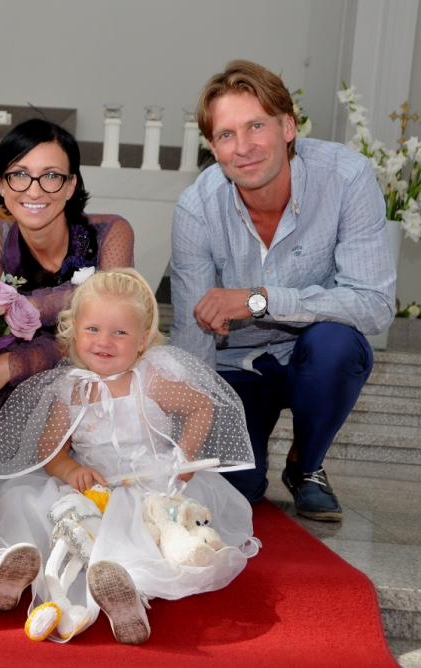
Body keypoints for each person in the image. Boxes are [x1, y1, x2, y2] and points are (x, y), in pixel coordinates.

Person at [0, 269, 258, 644]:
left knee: (136, 532)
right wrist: (70, 469)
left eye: (120, 333)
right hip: (93, 488)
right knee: (28, 504)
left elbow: (200, 406)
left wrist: (184, 456)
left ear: (142, 341)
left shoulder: (150, 380)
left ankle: (127, 593)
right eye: (92, 329)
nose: (104, 341)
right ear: (75, 331)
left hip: (149, 487)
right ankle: (11, 566)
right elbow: (50, 448)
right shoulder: (71, 389)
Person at [170, 60, 395, 521]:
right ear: (213, 147)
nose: (243, 147)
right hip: (237, 363)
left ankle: (305, 465)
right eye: (227, 134)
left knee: (336, 347)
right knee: (237, 491)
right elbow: (193, 339)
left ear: (288, 127)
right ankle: (251, 461)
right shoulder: (197, 208)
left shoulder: (346, 178)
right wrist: (188, 443)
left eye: (256, 126)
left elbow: (374, 305)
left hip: (313, 352)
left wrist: (260, 299)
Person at [0, 119, 135, 442]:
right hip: (12, 402)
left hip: (92, 397)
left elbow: (109, 326)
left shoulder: (111, 234)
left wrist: (15, 362)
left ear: (71, 185)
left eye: (51, 176)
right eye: (19, 174)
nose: (34, 190)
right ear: (1, 184)